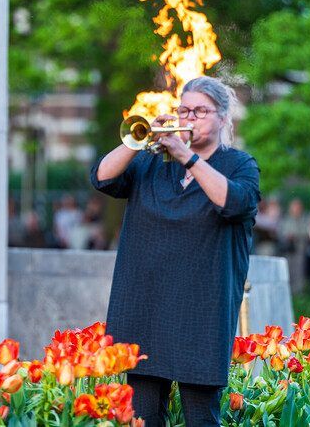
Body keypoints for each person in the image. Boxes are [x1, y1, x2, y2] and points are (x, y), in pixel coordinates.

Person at [90, 76, 260, 426]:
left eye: (200, 111)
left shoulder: (240, 165)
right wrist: (138, 140)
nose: (190, 117)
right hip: (146, 309)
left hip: (200, 315)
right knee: (143, 417)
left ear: (223, 118)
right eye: (184, 110)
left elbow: (233, 202)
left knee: (201, 418)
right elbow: (102, 178)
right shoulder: (153, 162)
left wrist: (187, 157)